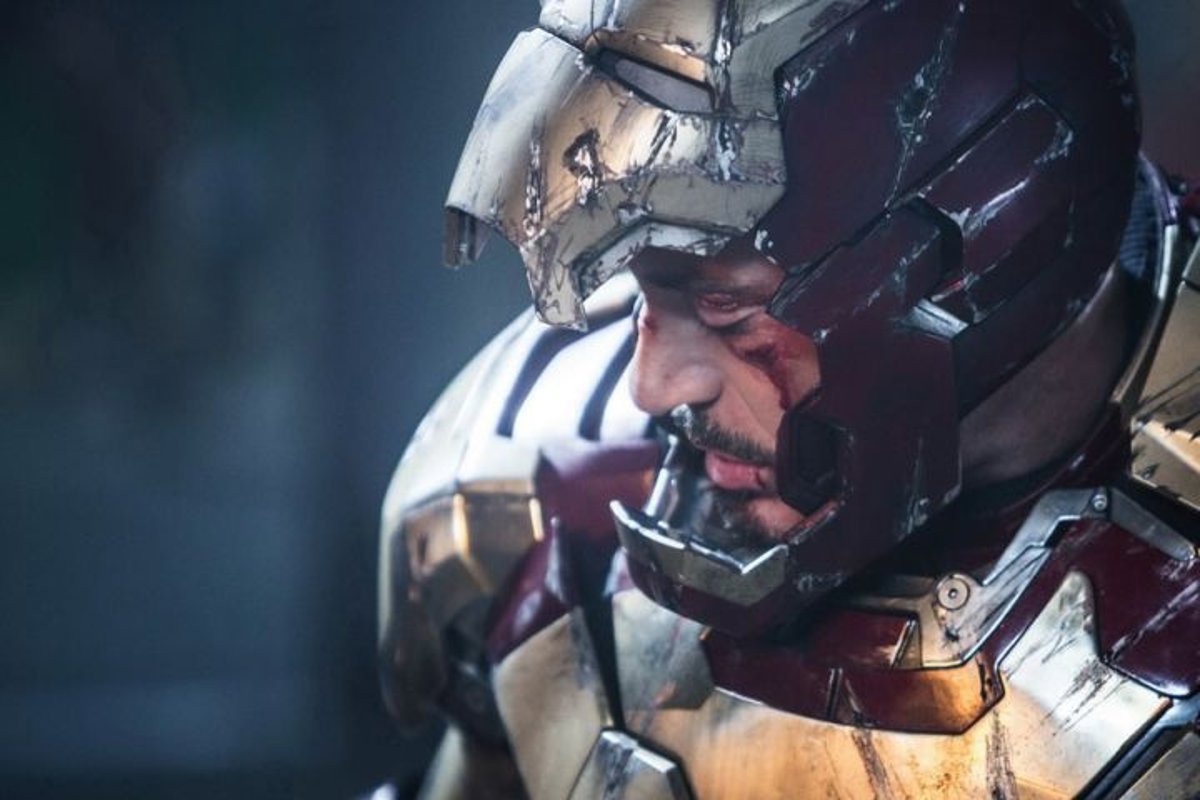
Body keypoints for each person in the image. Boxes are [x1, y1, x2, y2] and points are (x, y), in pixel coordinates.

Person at [379, 0, 1200, 797]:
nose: (650, 387)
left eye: (724, 307)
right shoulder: (550, 502)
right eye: (642, 287)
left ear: (979, 250)